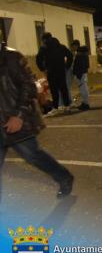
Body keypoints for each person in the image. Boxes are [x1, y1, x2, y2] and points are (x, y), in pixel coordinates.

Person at [0, 42, 74, 198]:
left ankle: (64, 177)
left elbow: (29, 86)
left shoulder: (11, 57)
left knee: (33, 155)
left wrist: (18, 115)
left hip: (15, 121)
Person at [36, 34, 73, 116]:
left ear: (44, 39)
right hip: (61, 71)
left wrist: (42, 68)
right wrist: (67, 66)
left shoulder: (44, 48)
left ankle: (56, 107)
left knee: (54, 90)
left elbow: (38, 59)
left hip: (51, 71)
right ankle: (67, 106)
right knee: (63, 88)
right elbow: (70, 55)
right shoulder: (61, 46)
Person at [72, 40, 91, 110]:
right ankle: (84, 103)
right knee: (83, 89)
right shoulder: (84, 55)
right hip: (83, 74)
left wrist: (77, 74)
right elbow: (86, 66)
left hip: (81, 75)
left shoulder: (80, 55)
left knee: (83, 90)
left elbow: (79, 66)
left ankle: (85, 104)